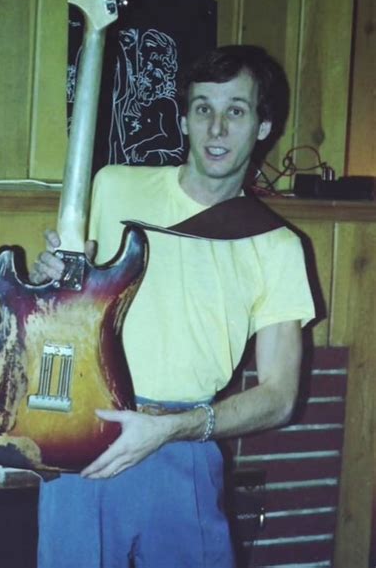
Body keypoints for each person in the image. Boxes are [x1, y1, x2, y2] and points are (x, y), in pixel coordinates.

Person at [31, 45, 315, 568]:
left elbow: (280, 395)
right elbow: (61, 312)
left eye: (236, 110)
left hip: (185, 449)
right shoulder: (114, 187)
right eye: (203, 108)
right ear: (184, 119)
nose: (216, 127)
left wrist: (171, 429)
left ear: (262, 126)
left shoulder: (278, 246)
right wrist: (48, 280)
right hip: (89, 436)